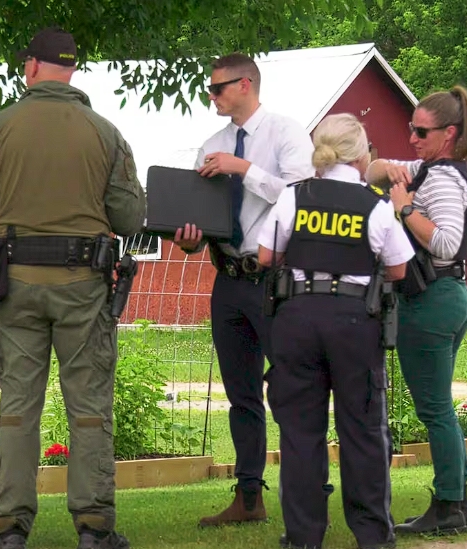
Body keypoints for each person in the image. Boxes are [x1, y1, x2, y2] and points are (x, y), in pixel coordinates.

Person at [0, 27, 145, 549]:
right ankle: (94, 527)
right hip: (83, 284)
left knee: (18, 406)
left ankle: (11, 529)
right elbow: (129, 217)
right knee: (89, 407)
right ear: (72, 69)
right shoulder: (105, 133)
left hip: (14, 283)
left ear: (32, 68)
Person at [258, 113, 414, 549]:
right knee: (362, 431)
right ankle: (372, 535)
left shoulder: (295, 196)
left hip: (298, 318)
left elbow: (267, 256)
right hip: (354, 321)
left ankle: (304, 536)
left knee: (300, 433)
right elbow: (399, 267)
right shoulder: (375, 205)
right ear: (361, 155)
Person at [172, 52, 314, 527]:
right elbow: (205, 217)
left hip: (276, 281)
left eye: (218, 88)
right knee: (241, 395)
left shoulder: (286, 132)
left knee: (292, 389)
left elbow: (302, 197)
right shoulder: (211, 145)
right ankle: (249, 498)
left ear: (245, 85)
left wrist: (243, 168)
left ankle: (305, 496)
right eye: (210, 89)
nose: (211, 96)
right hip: (228, 279)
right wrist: (189, 238)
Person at [364, 85, 467, 536]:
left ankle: (449, 505)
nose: (412, 138)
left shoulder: (443, 179)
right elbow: (372, 171)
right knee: (440, 408)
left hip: (431, 299)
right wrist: (387, 169)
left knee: (435, 410)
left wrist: (405, 208)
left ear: (449, 134)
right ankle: (458, 502)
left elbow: (448, 242)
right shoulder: (434, 169)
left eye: (421, 132)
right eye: (410, 129)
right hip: (447, 296)